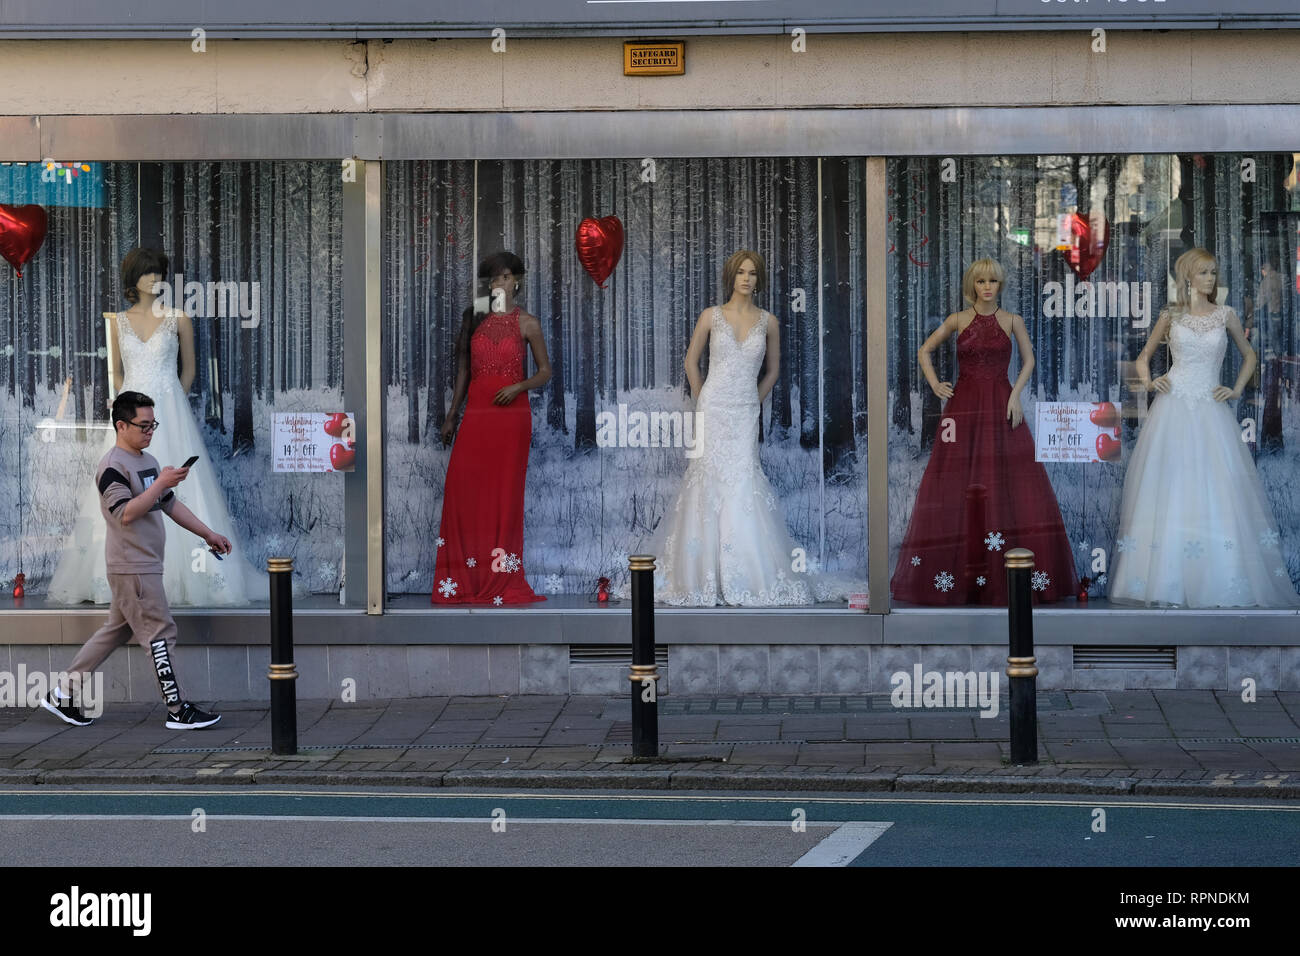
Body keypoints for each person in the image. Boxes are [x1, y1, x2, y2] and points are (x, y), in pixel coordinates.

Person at [633, 250, 853, 606]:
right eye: (740, 272)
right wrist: (702, 397)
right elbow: (691, 360)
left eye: (752, 273)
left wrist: (755, 400)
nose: (747, 279)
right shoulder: (711, 316)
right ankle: (699, 577)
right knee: (705, 479)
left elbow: (773, 370)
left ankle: (746, 574)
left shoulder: (769, 322)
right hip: (713, 408)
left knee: (743, 480)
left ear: (759, 279)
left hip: (744, 411)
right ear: (731, 277)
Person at [48, 247, 266, 605]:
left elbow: (191, 369)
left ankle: (195, 578)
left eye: (159, 272)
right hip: (130, 415)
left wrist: (171, 402)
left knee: (179, 488)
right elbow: (117, 374)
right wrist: (129, 412)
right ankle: (117, 578)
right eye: (147, 273)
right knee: (124, 486)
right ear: (133, 278)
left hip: (171, 412)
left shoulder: (178, 318)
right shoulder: (116, 322)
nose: (155, 279)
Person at [1109, 248, 1300, 607]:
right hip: (1174, 406)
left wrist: (1237, 388)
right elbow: (1142, 358)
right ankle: (1165, 581)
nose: (1210, 279)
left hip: (1212, 409)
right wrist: (1151, 384)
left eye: (1213, 273)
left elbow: (1250, 356)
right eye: (1204, 273)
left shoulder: (1225, 315)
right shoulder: (1171, 316)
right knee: (1171, 488)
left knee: (1216, 488)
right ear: (1188, 277)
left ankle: (1218, 578)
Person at [891, 258, 1079, 605]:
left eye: (993, 280)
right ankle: (964, 576)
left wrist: (1016, 395)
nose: (987, 287)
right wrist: (935, 385)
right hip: (963, 408)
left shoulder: (1012, 321)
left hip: (1001, 406)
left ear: (1000, 285)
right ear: (972, 285)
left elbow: (1029, 361)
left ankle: (1005, 575)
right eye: (981, 281)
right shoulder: (958, 320)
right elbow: (924, 350)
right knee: (957, 481)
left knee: (1009, 483)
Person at [41, 390, 226, 728]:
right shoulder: (111, 466)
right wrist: (160, 485)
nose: (150, 432)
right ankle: (177, 709)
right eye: (144, 426)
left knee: (114, 631)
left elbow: (169, 504)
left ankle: (61, 694)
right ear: (121, 425)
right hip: (133, 568)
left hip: (142, 566)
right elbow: (124, 513)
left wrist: (208, 534)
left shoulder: (148, 461)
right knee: (160, 634)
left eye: (153, 425)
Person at [431, 252, 551, 605]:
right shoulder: (475, 316)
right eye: (492, 279)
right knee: (462, 491)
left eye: (504, 277)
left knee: (504, 498)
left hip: (511, 419)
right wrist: (453, 415)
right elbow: (464, 372)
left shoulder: (528, 322)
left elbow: (545, 371)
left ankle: (500, 580)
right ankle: (463, 580)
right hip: (478, 415)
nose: (498, 284)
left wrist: (519, 386)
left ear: (517, 281)